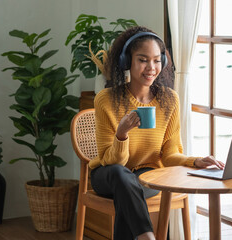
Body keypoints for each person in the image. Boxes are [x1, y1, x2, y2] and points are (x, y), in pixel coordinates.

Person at [89, 26, 225, 240]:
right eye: (143, 60)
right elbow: (110, 160)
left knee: (129, 195)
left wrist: (195, 161)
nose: (151, 67)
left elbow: (170, 154)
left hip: (147, 176)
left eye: (156, 60)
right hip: (108, 175)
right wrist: (122, 134)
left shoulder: (170, 99)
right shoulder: (106, 99)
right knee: (121, 175)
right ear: (127, 61)